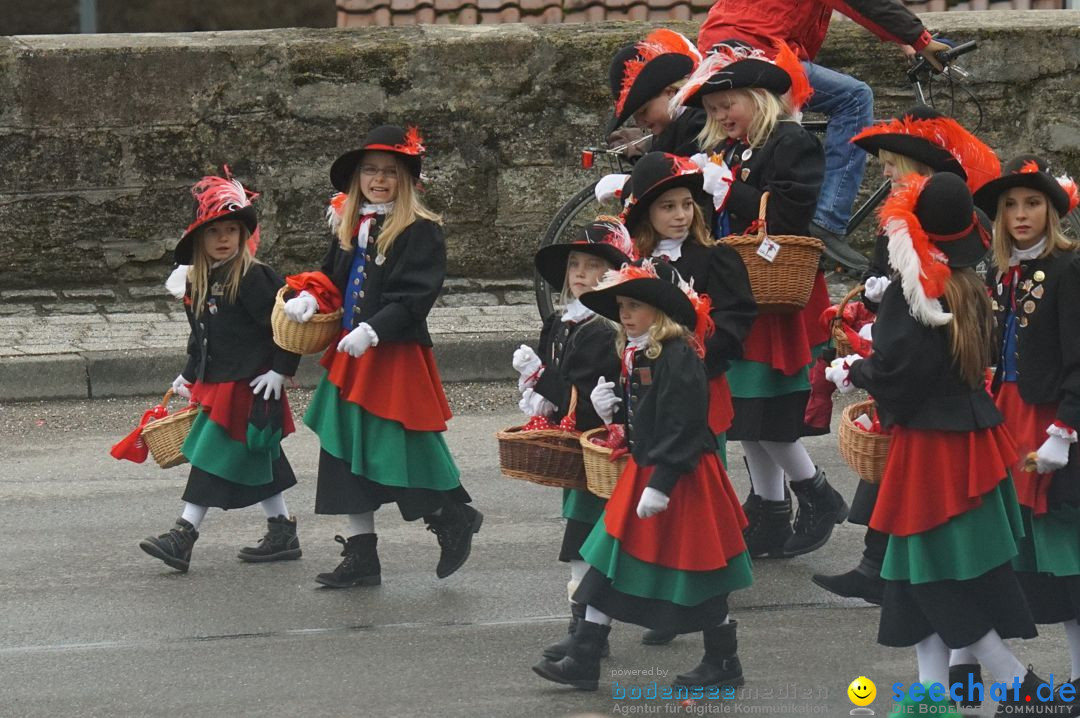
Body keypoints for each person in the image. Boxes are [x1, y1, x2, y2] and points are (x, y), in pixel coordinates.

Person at [826, 172, 1061, 716]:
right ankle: (934, 697)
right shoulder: (967, 284)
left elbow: (903, 373)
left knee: (931, 576)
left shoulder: (917, 291)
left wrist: (855, 369)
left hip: (933, 448)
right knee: (914, 573)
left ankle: (1018, 684)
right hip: (971, 439)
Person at [532, 259, 752, 691]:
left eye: (635, 306)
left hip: (680, 475)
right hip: (648, 468)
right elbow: (651, 414)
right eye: (623, 306)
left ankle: (723, 659)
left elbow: (683, 424)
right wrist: (615, 414)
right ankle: (585, 655)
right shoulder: (642, 351)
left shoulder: (679, 357)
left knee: (699, 569)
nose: (625, 314)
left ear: (661, 313)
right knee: (610, 558)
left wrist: (662, 483)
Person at [811, 105, 1000, 605]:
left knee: (920, 490)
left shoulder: (945, 223)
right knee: (899, 477)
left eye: (892, 164)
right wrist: (878, 299)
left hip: (930, 370)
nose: (886, 173)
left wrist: (865, 366)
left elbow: (928, 314)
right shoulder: (899, 220)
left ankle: (895, 574)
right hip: (910, 349)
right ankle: (879, 567)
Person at [284, 125, 482, 587]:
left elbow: (416, 296)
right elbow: (334, 278)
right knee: (340, 450)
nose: (378, 179)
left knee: (398, 449)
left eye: (389, 172)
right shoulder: (351, 223)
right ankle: (361, 555)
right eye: (370, 171)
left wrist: (374, 329)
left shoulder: (421, 231)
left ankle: (450, 515)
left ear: (406, 180)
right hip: (349, 356)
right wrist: (313, 300)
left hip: (391, 354)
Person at [672, 42, 847, 559]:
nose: (721, 115)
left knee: (765, 416)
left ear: (760, 98)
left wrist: (730, 191)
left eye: (729, 104)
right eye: (712, 110)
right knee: (745, 416)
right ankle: (770, 513)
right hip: (735, 293)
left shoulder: (790, 141)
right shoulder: (728, 151)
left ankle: (817, 492)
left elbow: (792, 213)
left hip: (774, 296)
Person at [944, 156, 1080, 711]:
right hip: (1001, 418)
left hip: (1047, 420)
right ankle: (973, 672)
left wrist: (1064, 430)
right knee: (997, 548)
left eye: (1032, 203)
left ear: (1051, 209)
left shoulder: (1070, 270)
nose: (1021, 214)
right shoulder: (999, 272)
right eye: (1010, 205)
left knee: (1065, 555)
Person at [617, 150, 757, 645]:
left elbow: (737, 323)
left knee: (695, 501)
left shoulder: (714, 258)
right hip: (649, 397)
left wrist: (697, 357)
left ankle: (700, 600)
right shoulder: (637, 267)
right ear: (645, 219)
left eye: (686, 205)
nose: (680, 215)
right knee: (655, 499)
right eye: (667, 208)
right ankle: (667, 601)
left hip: (700, 391)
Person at [696, 0, 950, 269]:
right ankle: (826, 222)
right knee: (854, 99)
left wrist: (904, 39)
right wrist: (920, 40)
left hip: (724, 44)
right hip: (757, 50)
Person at [139, 170, 302, 573]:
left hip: (251, 385)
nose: (224, 238)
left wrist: (281, 371)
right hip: (219, 384)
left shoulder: (252, 277)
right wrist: (189, 373)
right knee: (260, 454)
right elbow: (201, 336)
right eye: (214, 232)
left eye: (232, 230)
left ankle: (183, 535)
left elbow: (287, 325)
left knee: (210, 456)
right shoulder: (201, 279)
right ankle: (282, 531)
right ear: (200, 240)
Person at [518, 218, 633, 663]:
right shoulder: (560, 322)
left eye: (594, 266)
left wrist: (542, 380)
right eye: (574, 265)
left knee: (595, 537)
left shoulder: (604, 331)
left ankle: (591, 629)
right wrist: (536, 397)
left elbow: (587, 404)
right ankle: (581, 623)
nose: (581, 273)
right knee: (578, 538)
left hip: (601, 448)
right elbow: (558, 395)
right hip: (576, 452)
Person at [607, 29, 706, 159]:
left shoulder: (698, 124)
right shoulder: (672, 128)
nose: (640, 123)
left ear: (671, 91)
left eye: (643, 111)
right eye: (635, 116)